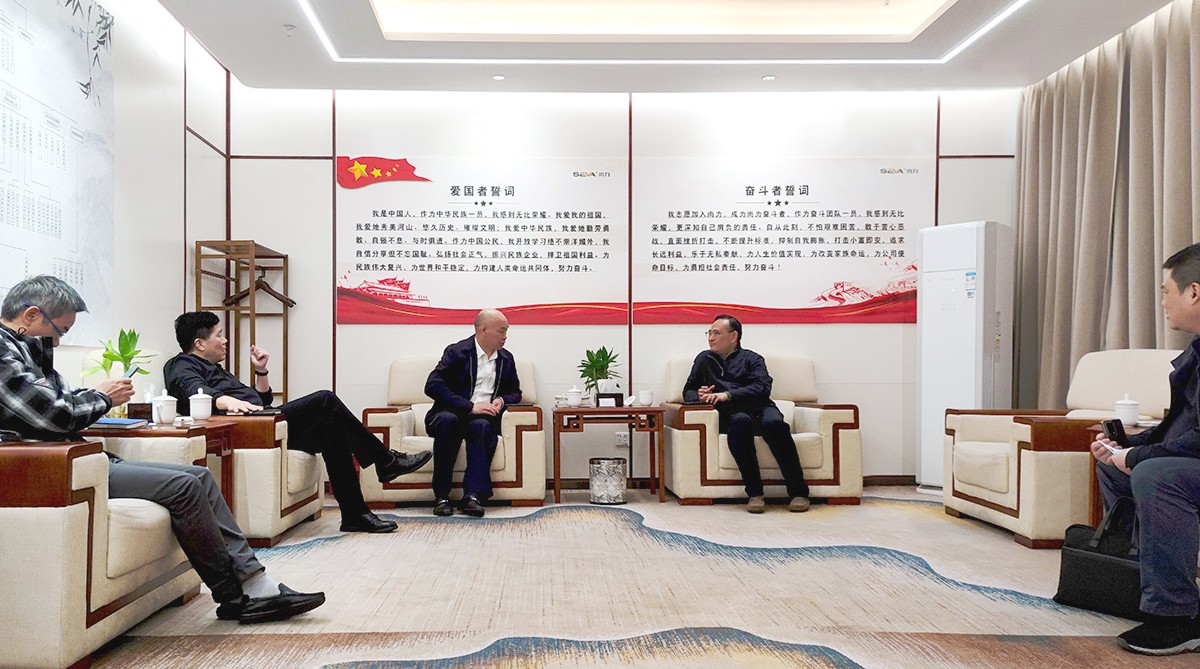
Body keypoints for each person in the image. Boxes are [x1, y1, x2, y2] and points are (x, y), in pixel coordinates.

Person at [0, 275, 324, 624]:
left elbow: (57, 403)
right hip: (44, 468)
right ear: (31, 315)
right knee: (185, 486)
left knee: (199, 476)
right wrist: (102, 398)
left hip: (79, 460)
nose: (59, 341)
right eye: (59, 330)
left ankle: (254, 584)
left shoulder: (29, 351)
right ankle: (237, 595)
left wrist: (92, 396)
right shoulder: (4, 353)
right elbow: (55, 414)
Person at [164, 311, 432, 534]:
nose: (224, 340)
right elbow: (191, 389)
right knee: (325, 398)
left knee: (332, 428)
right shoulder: (181, 365)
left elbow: (260, 399)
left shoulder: (216, 369)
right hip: (251, 429)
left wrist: (261, 370)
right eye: (219, 335)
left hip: (263, 420)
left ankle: (355, 514)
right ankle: (385, 461)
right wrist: (225, 401)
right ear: (199, 343)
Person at [1091, 244, 1200, 656]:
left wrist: (1138, 459)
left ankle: (1176, 618)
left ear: (1194, 292)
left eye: (1166, 291)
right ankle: (1134, 585)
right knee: (1114, 467)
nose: (1163, 302)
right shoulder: (1196, 352)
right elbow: (1180, 429)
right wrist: (1126, 447)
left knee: (1156, 475)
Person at [683, 314, 809, 514]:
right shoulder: (704, 359)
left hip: (760, 407)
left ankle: (798, 493)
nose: (711, 338)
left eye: (716, 333)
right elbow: (687, 391)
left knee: (774, 424)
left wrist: (728, 394)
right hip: (732, 414)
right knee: (740, 422)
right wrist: (699, 395)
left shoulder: (753, 359)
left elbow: (762, 388)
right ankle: (755, 494)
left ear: (733, 336)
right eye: (709, 333)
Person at [424, 309, 522, 518]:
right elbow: (433, 386)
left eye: (506, 331)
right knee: (448, 421)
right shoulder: (457, 352)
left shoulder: (506, 358)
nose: (505, 336)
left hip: (481, 418)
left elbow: (516, 392)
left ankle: (472, 496)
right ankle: (441, 496)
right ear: (483, 330)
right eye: (501, 331)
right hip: (449, 413)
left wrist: (501, 400)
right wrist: (469, 406)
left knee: (482, 426)